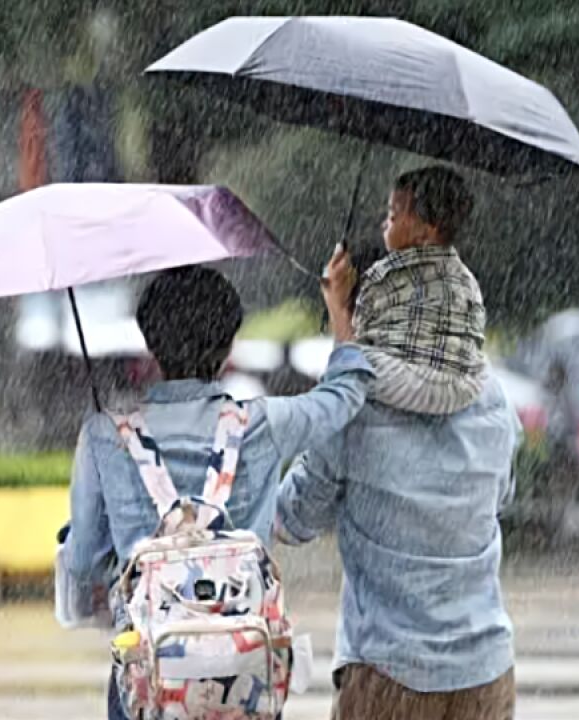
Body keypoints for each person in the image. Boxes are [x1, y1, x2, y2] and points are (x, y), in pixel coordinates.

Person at [59, 250, 374, 720]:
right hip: (243, 673)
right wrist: (338, 309)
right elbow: (347, 392)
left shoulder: (106, 435)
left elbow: (82, 561)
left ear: (151, 344)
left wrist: (82, 548)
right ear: (227, 346)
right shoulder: (262, 425)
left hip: (149, 675)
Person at [277, 167, 521, 720]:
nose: (386, 222)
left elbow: (293, 516)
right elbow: (497, 498)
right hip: (485, 672)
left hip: (389, 676)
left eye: (396, 212)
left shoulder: (355, 405)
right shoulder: (493, 398)